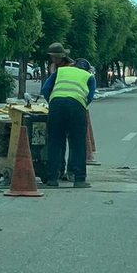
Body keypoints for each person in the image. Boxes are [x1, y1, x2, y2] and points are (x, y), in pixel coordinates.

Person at [40, 43, 96, 188]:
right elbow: (90, 96)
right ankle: (79, 179)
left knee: (55, 142)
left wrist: (52, 102)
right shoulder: (89, 76)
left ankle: (53, 178)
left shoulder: (61, 72)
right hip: (76, 107)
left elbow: (46, 89)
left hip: (56, 105)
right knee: (78, 144)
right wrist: (80, 105)